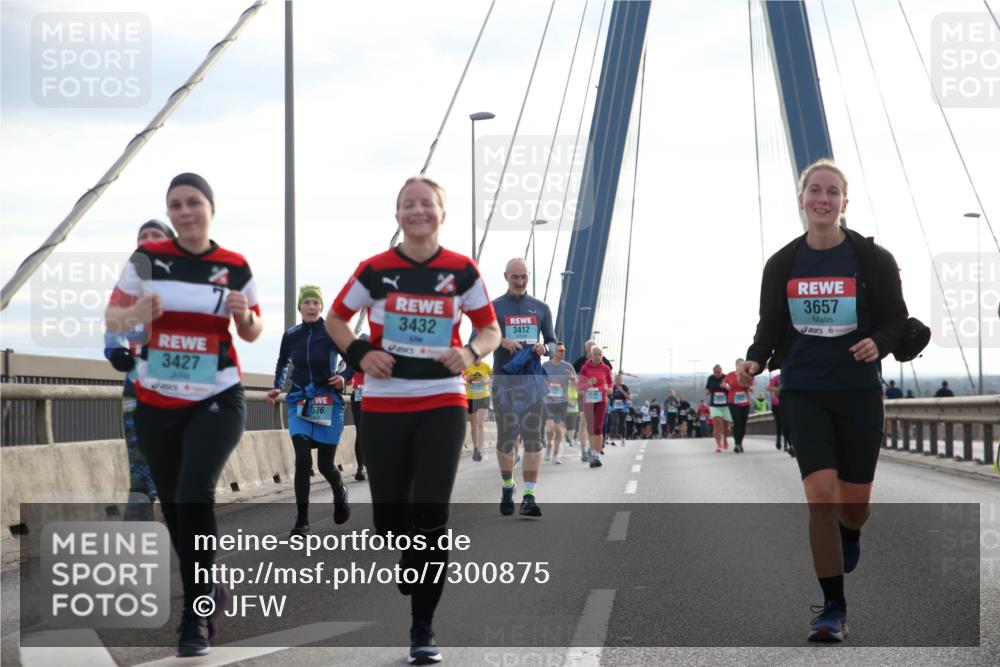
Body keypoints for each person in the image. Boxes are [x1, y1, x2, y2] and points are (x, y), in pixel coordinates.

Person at [326, 176, 501, 664]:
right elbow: (336, 320)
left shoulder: (461, 271)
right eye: (408, 204)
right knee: (389, 522)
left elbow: (490, 329)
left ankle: (422, 628)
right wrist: (361, 353)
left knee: (432, 516)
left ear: (442, 215)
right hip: (382, 404)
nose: (418, 211)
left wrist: (468, 352)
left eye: (427, 204)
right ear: (397, 214)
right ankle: (406, 549)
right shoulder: (376, 270)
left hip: (443, 401)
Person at [737, 158, 910, 643]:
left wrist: (881, 342)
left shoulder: (872, 260)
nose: (823, 199)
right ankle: (832, 608)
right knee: (820, 496)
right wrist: (754, 360)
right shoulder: (783, 264)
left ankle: (850, 532)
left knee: (853, 507)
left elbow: (899, 319)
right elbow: (771, 325)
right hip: (804, 390)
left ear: (844, 203)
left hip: (857, 393)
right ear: (801, 198)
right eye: (815, 190)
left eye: (833, 192)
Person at [105, 173, 263, 657]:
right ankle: (208, 585)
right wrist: (138, 315)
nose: (185, 211)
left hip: (217, 393)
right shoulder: (148, 261)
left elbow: (254, 331)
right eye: (176, 205)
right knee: (173, 503)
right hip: (157, 399)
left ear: (210, 208)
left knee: (195, 489)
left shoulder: (233, 265)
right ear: (169, 213)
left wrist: (243, 317)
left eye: (193, 202)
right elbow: (112, 319)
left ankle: (193, 616)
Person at [266, 285, 353, 537]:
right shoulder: (291, 335)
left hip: (327, 400)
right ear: (300, 307)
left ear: (321, 307)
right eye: (307, 302)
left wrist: (344, 377)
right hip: (300, 400)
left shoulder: (332, 331)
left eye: (316, 302)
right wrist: (276, 387)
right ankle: (302, 521)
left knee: (326, 465)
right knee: (303, 459)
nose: (312, 307)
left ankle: (340, 491)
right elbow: (283, 362)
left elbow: (355, 360)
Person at [104, 220, 174, 520]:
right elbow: (113, 324)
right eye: (141, 236)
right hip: (138, 383)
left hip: (182, 386)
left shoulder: (188, 282)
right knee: (141, 472)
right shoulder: (129, 282)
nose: (146, 240)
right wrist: (116, 349)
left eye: (154, 235)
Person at [488, 257, 558, 517]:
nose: (519, 282)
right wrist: (501, 340)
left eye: (524, 277)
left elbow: (553, 342)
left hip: (532, 382)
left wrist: (545, 348)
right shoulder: (494, 308)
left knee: (533, 439)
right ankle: (508, 485)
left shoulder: (540, 308)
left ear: (529, 277)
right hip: (505, 383)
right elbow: (477, 339)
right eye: (514, 277)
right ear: (505, 276)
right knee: (506, 440)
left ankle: (529, 496)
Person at [578, 345, 614, 467]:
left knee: (598, 428)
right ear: (591, 355)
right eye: (595, 354)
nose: (598, 356)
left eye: (600, 354)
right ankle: (593, 453)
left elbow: (610, 382)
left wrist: (610, 389)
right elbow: (579, 387)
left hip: (601, 401)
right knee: (590, 428)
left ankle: (596, 456)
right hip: (588, 401)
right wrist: (589, 382)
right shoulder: (584, 368)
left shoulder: (605, 368)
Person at [542, 342, 576, 464]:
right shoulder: (545, 366)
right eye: (560, 351)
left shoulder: (568, 367)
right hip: (548, 401)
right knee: (550, 428)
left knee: (559, 429)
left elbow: (576, 385)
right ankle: (549, 445)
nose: (563, 353)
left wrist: (572, 378)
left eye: (564, 351)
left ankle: (556, 455)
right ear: (554, 352)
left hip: (562, 402)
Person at [346, 332, 371, 481]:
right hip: (358, 396)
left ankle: (370, 461)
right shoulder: (352, 360)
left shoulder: (375, 358)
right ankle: (360, 468)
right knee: (361, 432)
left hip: (374, 396)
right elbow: (347, 379)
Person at [464, 356, 492, 462]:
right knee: (473, 425)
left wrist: (486, 381)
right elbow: (461, 378)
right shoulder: (467, 366)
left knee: (480, 423)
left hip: (483, 396)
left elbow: (493, 377)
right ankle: (475, 449)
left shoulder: (486, 366)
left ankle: (480, 448)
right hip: (471, 397)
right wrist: (468, 379)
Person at [725, 358, 754, 453]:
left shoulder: (747, 375)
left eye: (743, 365)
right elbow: (724, 383)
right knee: (737, 422)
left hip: (745, 403)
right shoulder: (730, 375)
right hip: (733, 402)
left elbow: (752, 388)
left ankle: (740, 443)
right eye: (740, 365)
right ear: (736, 366)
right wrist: (727, 387)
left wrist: (747, 386)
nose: (741, 366)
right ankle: (737, 444)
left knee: (743, 424)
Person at [706, 364, 731, 452]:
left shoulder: (726, 377)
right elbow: (707, 389)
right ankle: (718, 445)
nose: (717, 374)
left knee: (726, 427)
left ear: (722, 371)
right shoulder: (710, 378)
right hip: (714, 406)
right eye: (715, 372)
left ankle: (725, 439)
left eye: (718, 372)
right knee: (716, 425)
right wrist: (707, 392)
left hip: (726, 406)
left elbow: (732, 390)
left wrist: (726, 387)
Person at [768, 372, 794, 456]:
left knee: (787, 424)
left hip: (789, 404)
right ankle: (779, 440)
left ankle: (789, 444)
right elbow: (769, 387)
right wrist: (777, 389)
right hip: (777, 405)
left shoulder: (792, 375)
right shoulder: (777, 378)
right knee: (780, 424)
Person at [608, 374, 631, 445]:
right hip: (614, 407)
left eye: (619, 379)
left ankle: (623, 438)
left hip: (623, 407)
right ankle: (613, 438)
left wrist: (622, 391)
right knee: (615, 422)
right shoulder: (613, 387)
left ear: (621, 380)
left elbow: (628, 397)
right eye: (617, 379)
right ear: (615, 380)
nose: (618, 380)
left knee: (622, 423)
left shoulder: (625, 387)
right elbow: (609, 396)